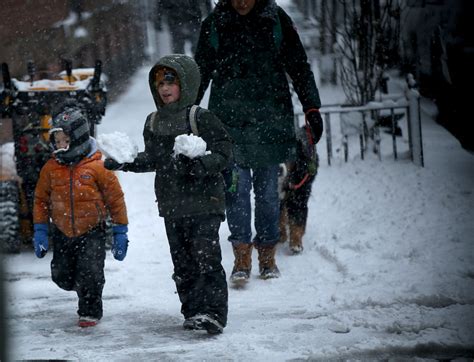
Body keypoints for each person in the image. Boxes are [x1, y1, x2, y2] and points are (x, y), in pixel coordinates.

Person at [194, 0, 324, 283]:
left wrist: (312, 107)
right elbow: (200, 72)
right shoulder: (215, 25)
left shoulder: (276, 20)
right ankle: (241, 258)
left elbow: (299, 66)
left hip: (271, 119)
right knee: (236, 192)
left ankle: (267, 256)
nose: (242, 2)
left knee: (267, 194)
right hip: (228, 122)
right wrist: (186, 113)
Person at [104, 54, 231, 334]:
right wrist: (125, 162)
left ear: (186, 83)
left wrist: (199, 165)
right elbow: (154, 159)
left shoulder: (200, 117)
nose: (164, 88)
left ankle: (213, 313)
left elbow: (224, 153)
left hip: (204, 202)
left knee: (206, 258)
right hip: (173, 205)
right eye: (159, 82)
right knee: (183, 263)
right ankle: (193, 311)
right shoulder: (153, 122)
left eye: (171, 81)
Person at [33, 108, 129, 328]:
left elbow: (116, 200)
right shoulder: (51, 168)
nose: (60, 146)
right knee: (61, 276)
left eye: (65, 141)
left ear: (78, 139)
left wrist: (120, 231)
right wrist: (40, 229)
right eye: (57, 141)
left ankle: (90, 309)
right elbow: (40, 199)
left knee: (91, 272)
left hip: (92, 231)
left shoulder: (98, 166)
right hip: (62, 230)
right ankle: (84, 286)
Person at [278, 125, 319, 254]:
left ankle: (296, 237)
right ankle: (281, 229)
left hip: (301, 173)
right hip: (285, 177)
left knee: (299, 204)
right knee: (279, 202)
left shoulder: (303, 159)